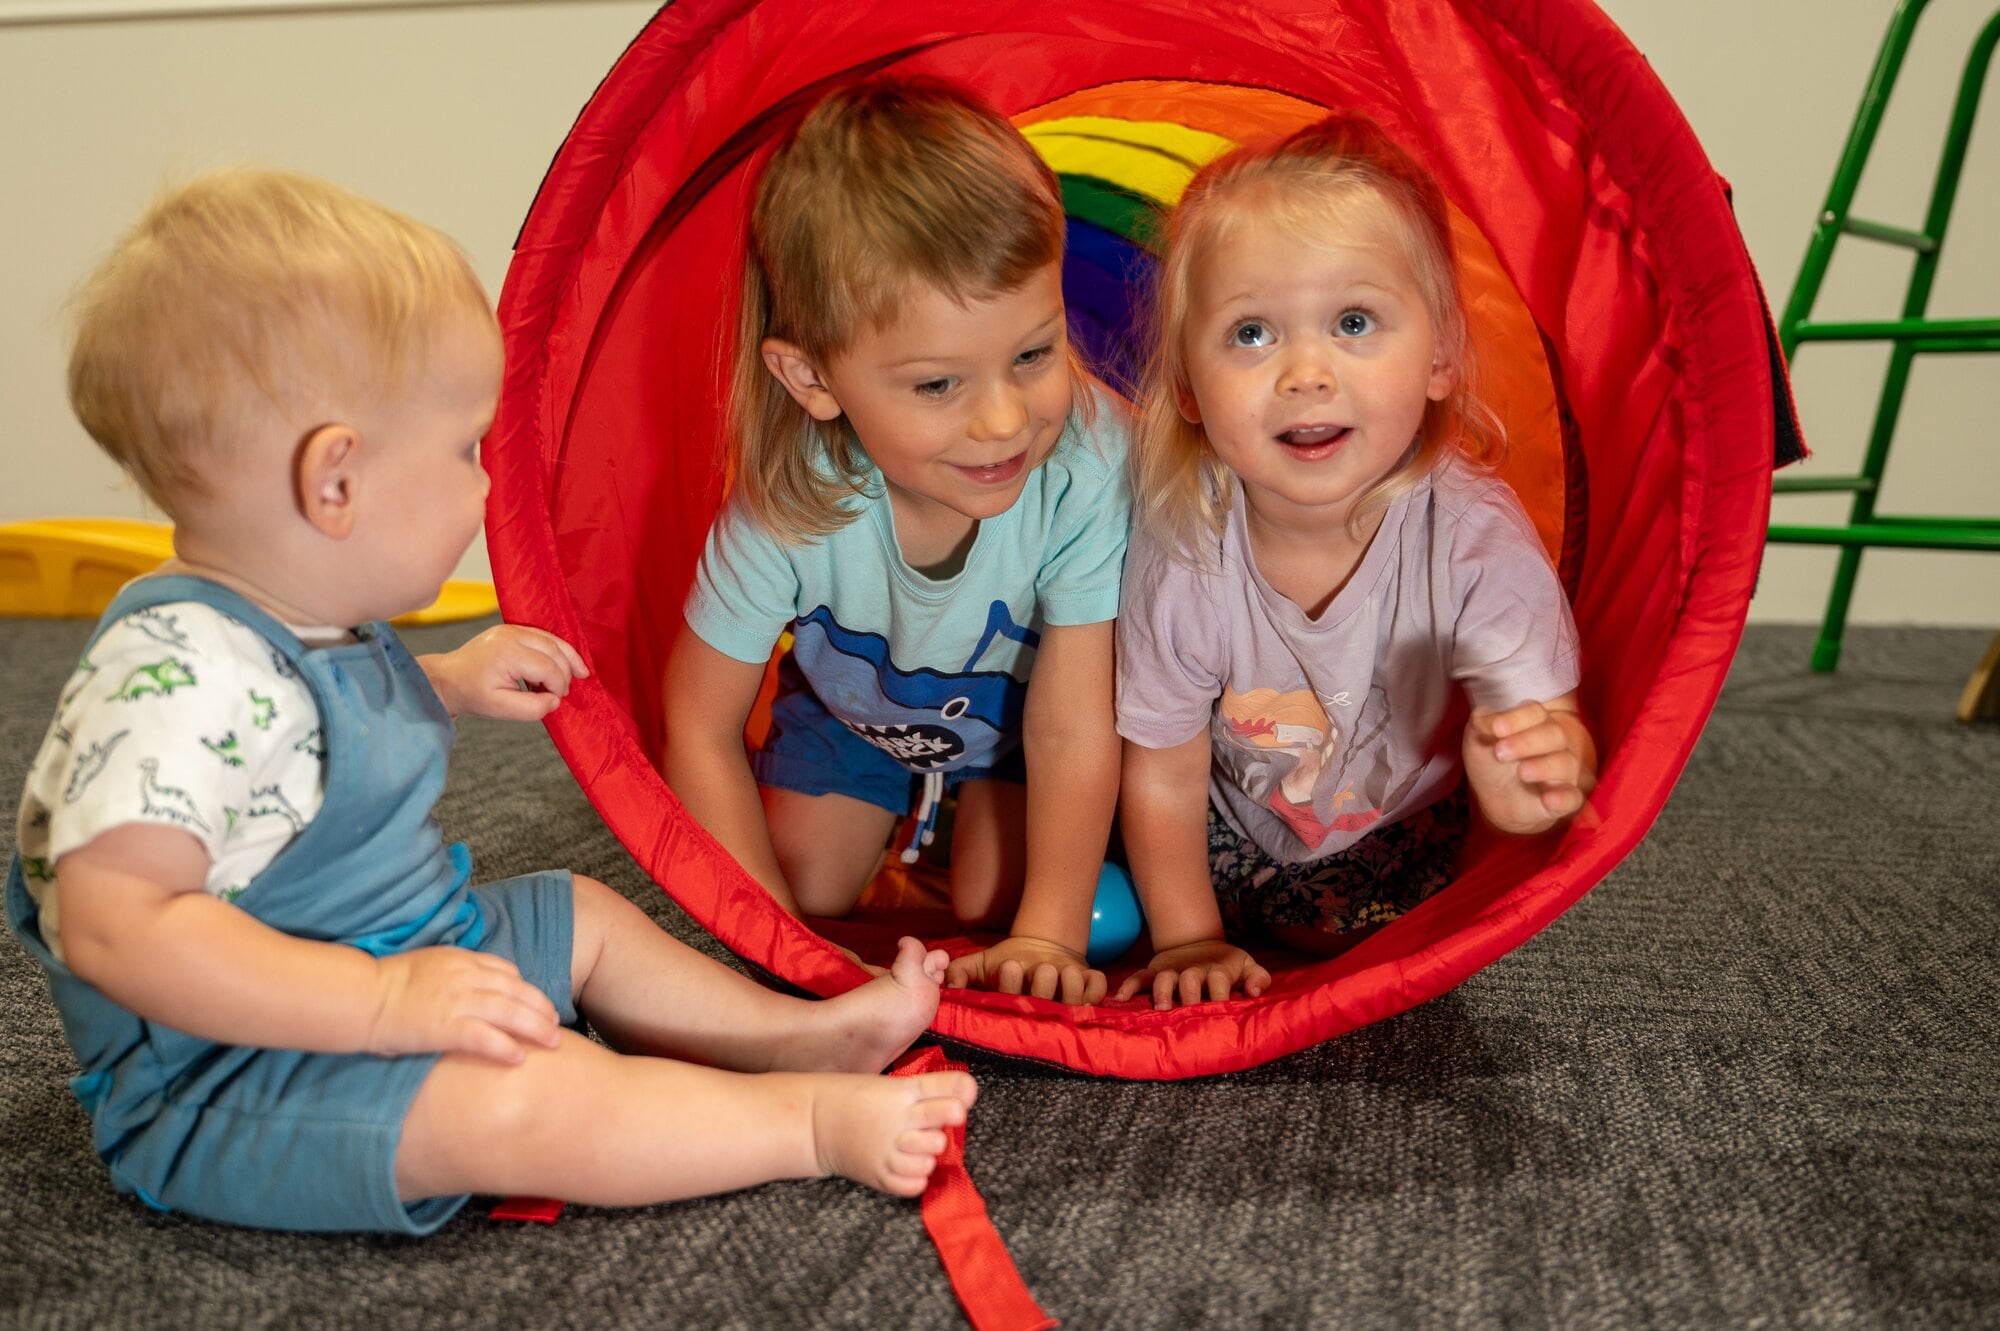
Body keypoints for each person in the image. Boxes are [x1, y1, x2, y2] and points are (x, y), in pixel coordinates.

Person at [5, 169, 977, 1235]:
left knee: (582, 915)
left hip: (404, 945)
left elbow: (297, 734)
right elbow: (114, 925)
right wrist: (383, 1006)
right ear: (337, 483)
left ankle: (791, 1034)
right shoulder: (175, 677)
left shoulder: (286, 619)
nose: (484, 485)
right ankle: (801, 1122)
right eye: (466, 448)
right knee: (522, 1096)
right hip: (243, 1081)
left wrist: (446, 681)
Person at [661, 78, 1131, 1007]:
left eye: (1033, 355)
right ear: (812, 377)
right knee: (808, 890)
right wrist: (774, 948)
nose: (1004, 421)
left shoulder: (1089, 459)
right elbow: (698, 724)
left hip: (1020, 733)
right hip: (855, 716)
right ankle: (911, 825)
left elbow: (1077, 720)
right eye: (935, 386)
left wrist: (1047, 928)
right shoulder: (790, 503)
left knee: (1004, 907)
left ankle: (951, 829)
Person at [1113, 115, 1598, 1010]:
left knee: (1374, 934)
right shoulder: (1184, 539)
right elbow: (1162, 767)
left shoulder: (1470, 534)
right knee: (1083, 869)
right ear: (1186, 384)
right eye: (1251, 333)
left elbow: (1539, 745)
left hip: (1406, 837)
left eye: (1353, 321)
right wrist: (1187, 938)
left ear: (1442, 357)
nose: (1306, 371)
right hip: (1224, 830)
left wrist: (1529, 784)